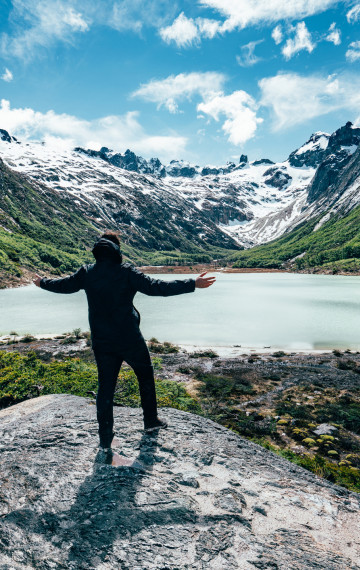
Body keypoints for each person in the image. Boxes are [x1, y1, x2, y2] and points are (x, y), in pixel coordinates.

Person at [33, 232, 216, 451]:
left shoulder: (87, 273)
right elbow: (157, 287)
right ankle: (150, 421)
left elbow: (63, 285)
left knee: (106, 387)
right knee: (145, 376)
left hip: (102, 341)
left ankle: (105, 438)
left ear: (97, 252)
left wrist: (42, 282)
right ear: (117, 250)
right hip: (129, 338)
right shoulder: (126, 272)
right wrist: (192, 283)